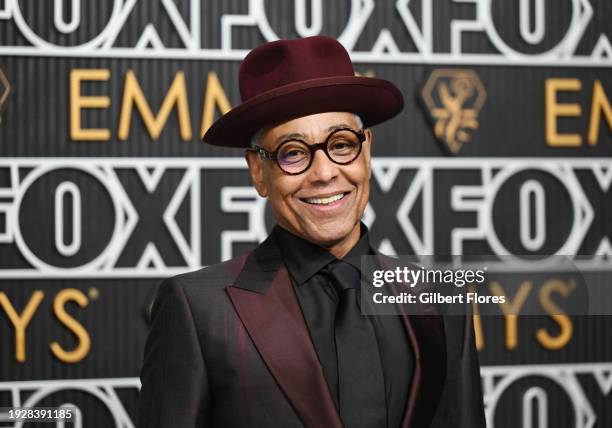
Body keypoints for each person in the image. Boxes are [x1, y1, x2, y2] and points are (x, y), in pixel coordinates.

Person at [137, 35, 486, 428]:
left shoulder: (440, 300)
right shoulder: (199, 310)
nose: (324, 174)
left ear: (366, 150)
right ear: (258, 171)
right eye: (293, 152)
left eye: (341, 144)